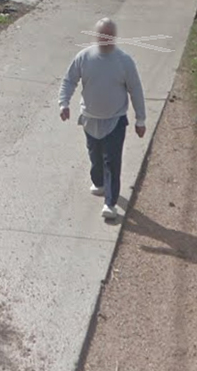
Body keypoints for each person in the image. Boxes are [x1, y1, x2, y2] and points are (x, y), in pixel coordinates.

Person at [59, 18, 147, 222]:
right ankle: (98, 183)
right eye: (102, 35)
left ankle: (110, 203)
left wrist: (140, 119)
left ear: (114, 37)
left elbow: (136, 90)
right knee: (95, 155)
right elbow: (69, 80)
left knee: (112, 161)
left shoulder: (124, 61)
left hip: (115, 120)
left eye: (109, 36)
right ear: (96, 36)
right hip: (90, 118)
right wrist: (63, 103)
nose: (105, 39)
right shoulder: (84, 57)